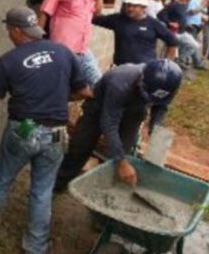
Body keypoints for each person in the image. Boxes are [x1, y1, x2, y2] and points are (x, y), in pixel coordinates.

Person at [0, 7, 91, 254]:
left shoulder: (9, 60)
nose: (8, 34)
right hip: (55, 134)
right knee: (41, 190)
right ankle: (35, 250)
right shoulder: (63, 52)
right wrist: (60, 96)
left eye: (9, 30)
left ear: (17, 31)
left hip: (23, 130)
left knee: (2, 179)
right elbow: (84, 91)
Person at [54, 60, 183, 192]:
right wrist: (121, 162)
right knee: (81, 146)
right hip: (99, 109)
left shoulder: (167, 87)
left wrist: (155, 127)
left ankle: (104, 189)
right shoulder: (120, 82)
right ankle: (57, 185)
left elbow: (161, 106)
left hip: (134, 110)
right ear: (142, 81)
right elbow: (109, 124)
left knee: (124, 149)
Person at [39, 0, 105, 86]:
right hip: (63, 49)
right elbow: (44, 13)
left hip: (83, 49)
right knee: (60, 85)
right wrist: (36, 44)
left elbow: (98, 11)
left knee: (99, 84)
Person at [92, 0, 178, 65]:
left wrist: (167, 65)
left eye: (135, 6)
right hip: (122, 69)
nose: (130, 8)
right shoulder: (117, 19)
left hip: (145, 71)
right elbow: (95, 18)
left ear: (144, 7)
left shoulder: (153, 23)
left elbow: (173, 41)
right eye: (128, 5)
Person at [159, 0, 203, 78]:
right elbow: (160, 15)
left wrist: (187, 25)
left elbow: (182, 16)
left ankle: (180, 61)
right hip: (173, 32)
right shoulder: (173, 5)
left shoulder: (186, 5)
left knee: (194, 45)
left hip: (183, 31)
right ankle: (166, 69)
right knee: (169, 52)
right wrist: (169, 22)